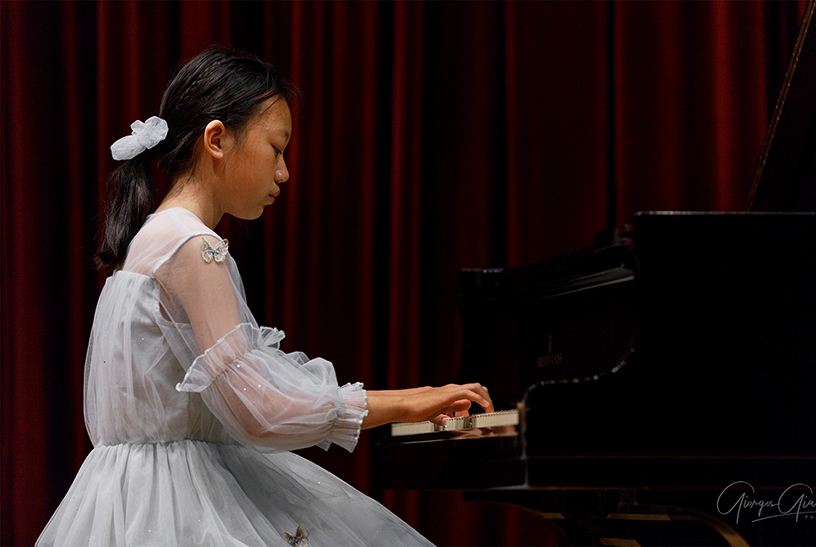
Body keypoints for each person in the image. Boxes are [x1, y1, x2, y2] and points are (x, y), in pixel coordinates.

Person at [37, 45, 492, 547]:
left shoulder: (147, 239)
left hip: (126, 498)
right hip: (179, 503)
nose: (283, 172)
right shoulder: (192, 244)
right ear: (217, 139)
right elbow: (261, 412)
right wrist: (409, 402)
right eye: (276, 148)